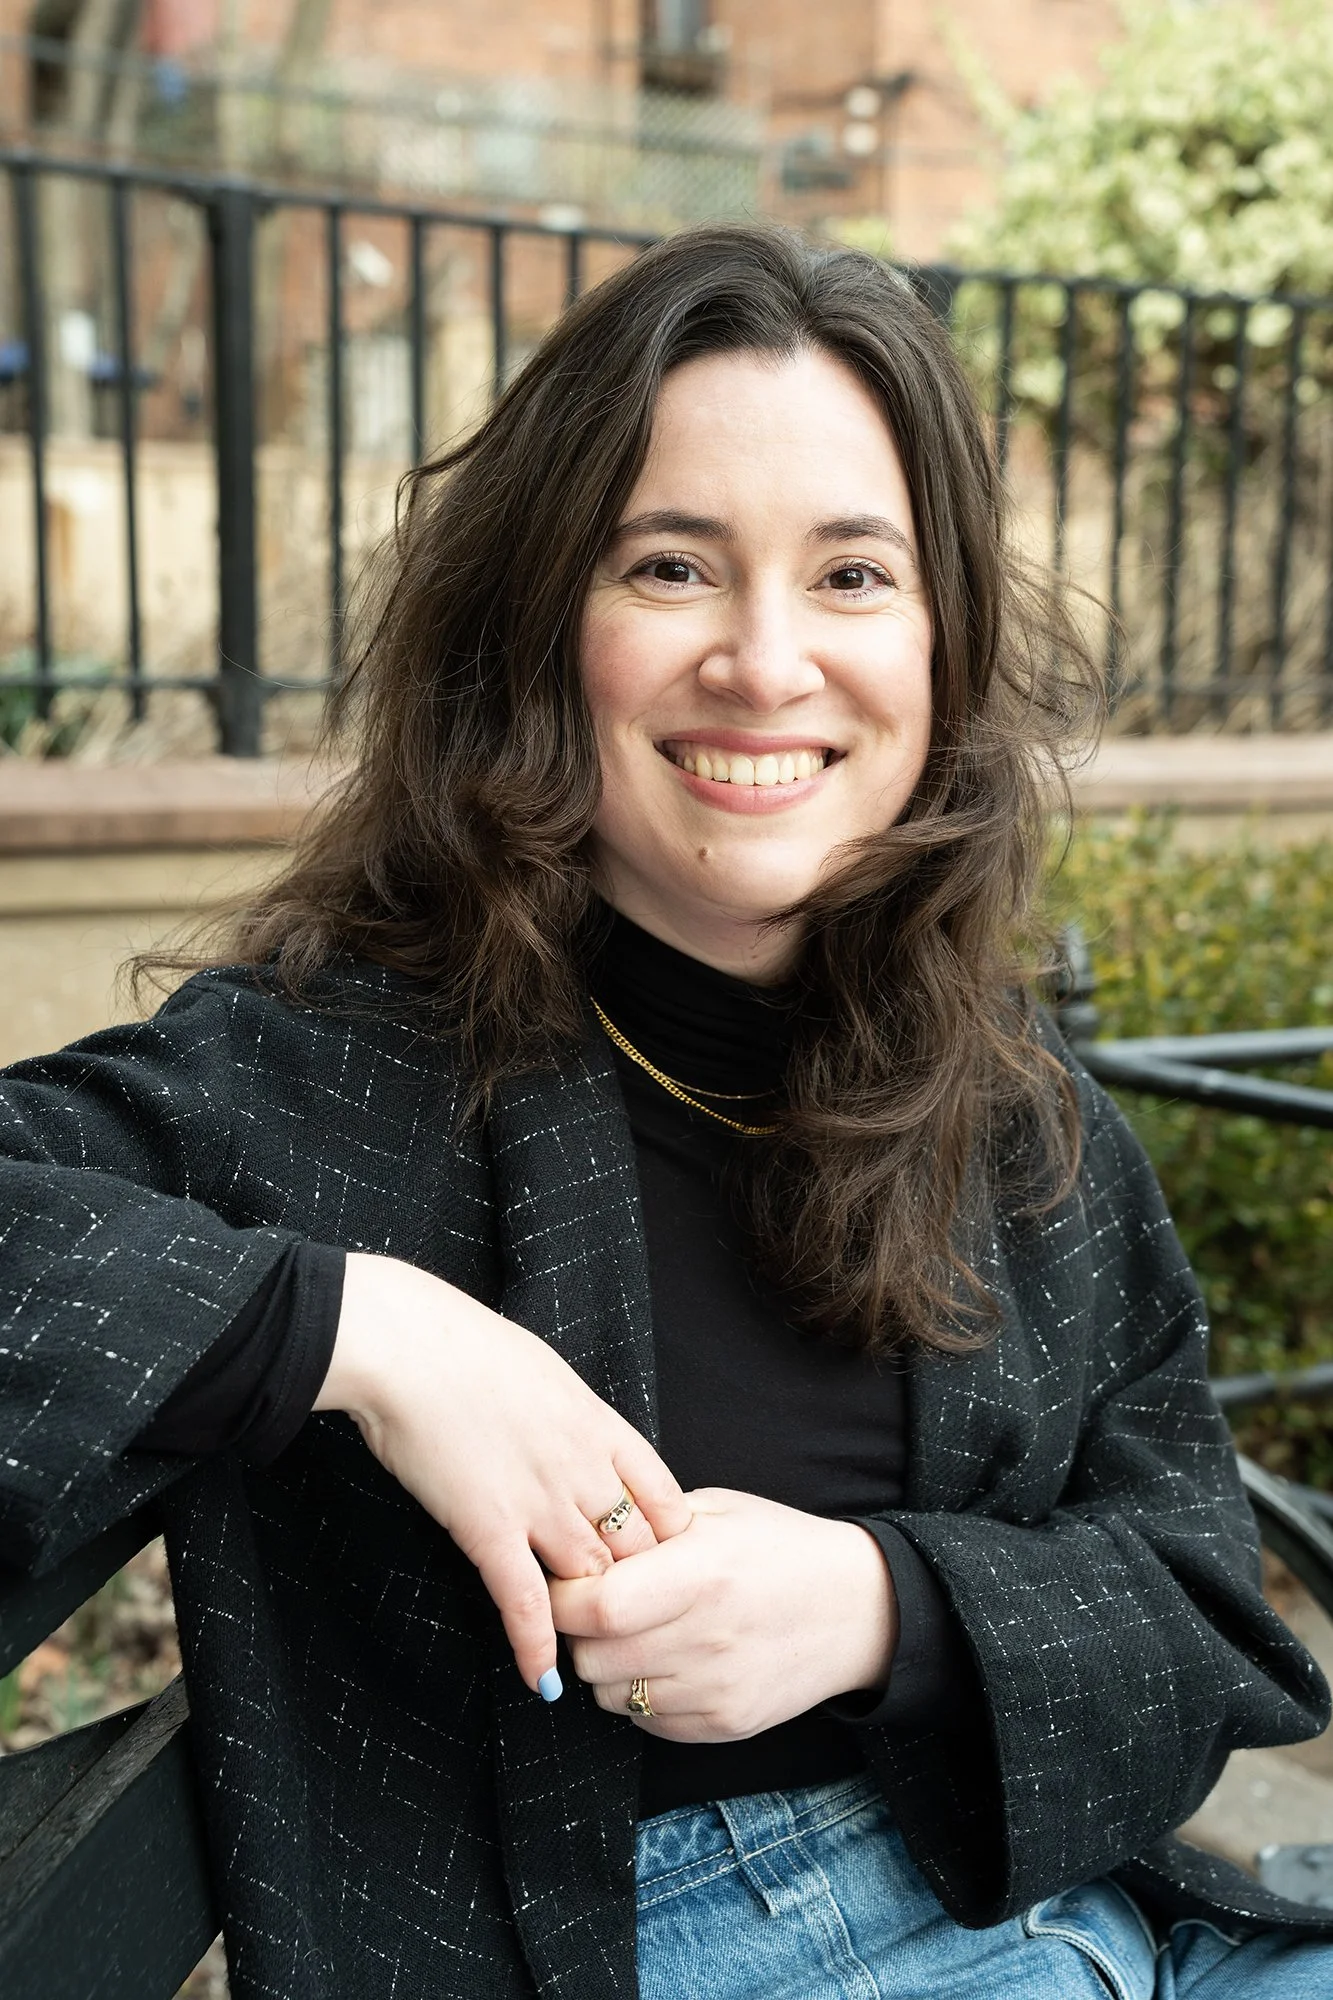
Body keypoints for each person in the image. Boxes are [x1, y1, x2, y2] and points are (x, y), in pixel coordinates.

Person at [1, 225, 1329, 2000]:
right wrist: (366, 1332)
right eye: (673, 566)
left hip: (1105, 1923)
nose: (768, 662)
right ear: (545, 623)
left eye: (855, 576)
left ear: (943, 646)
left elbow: (1203, 1609)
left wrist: (879, 1611)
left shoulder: (1017, 1114)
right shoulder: (332, 1070)